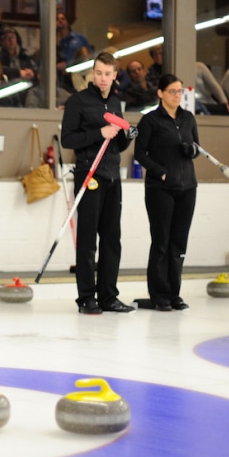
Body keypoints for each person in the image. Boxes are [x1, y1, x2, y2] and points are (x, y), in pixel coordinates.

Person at [60, 52, 134, 314]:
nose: (103, 79)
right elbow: (67, 140)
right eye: (99, 73)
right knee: (88, 239)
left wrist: (128, 135)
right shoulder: (77, 102)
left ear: (115, 76)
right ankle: (86, 298)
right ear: (93, 73)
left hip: (113, 175)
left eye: (108, 74)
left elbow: (119, 144)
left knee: (112, 238)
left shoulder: (115, 103)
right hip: (89, 174)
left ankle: (108, 296)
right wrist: (98, 133)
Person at [133, 74, 199, 311]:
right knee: (161, 242)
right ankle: (159, 294)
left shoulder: (188, 118)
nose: (177, 96)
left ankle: (174, 294)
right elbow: (140, 154)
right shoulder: (150, 120)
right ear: (160, 93)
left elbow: (197, 148)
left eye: (180, 91)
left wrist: (191, 150)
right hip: (160, 189)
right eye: (172, 91)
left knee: (178, 244)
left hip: (187, 187)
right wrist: (160, 172)